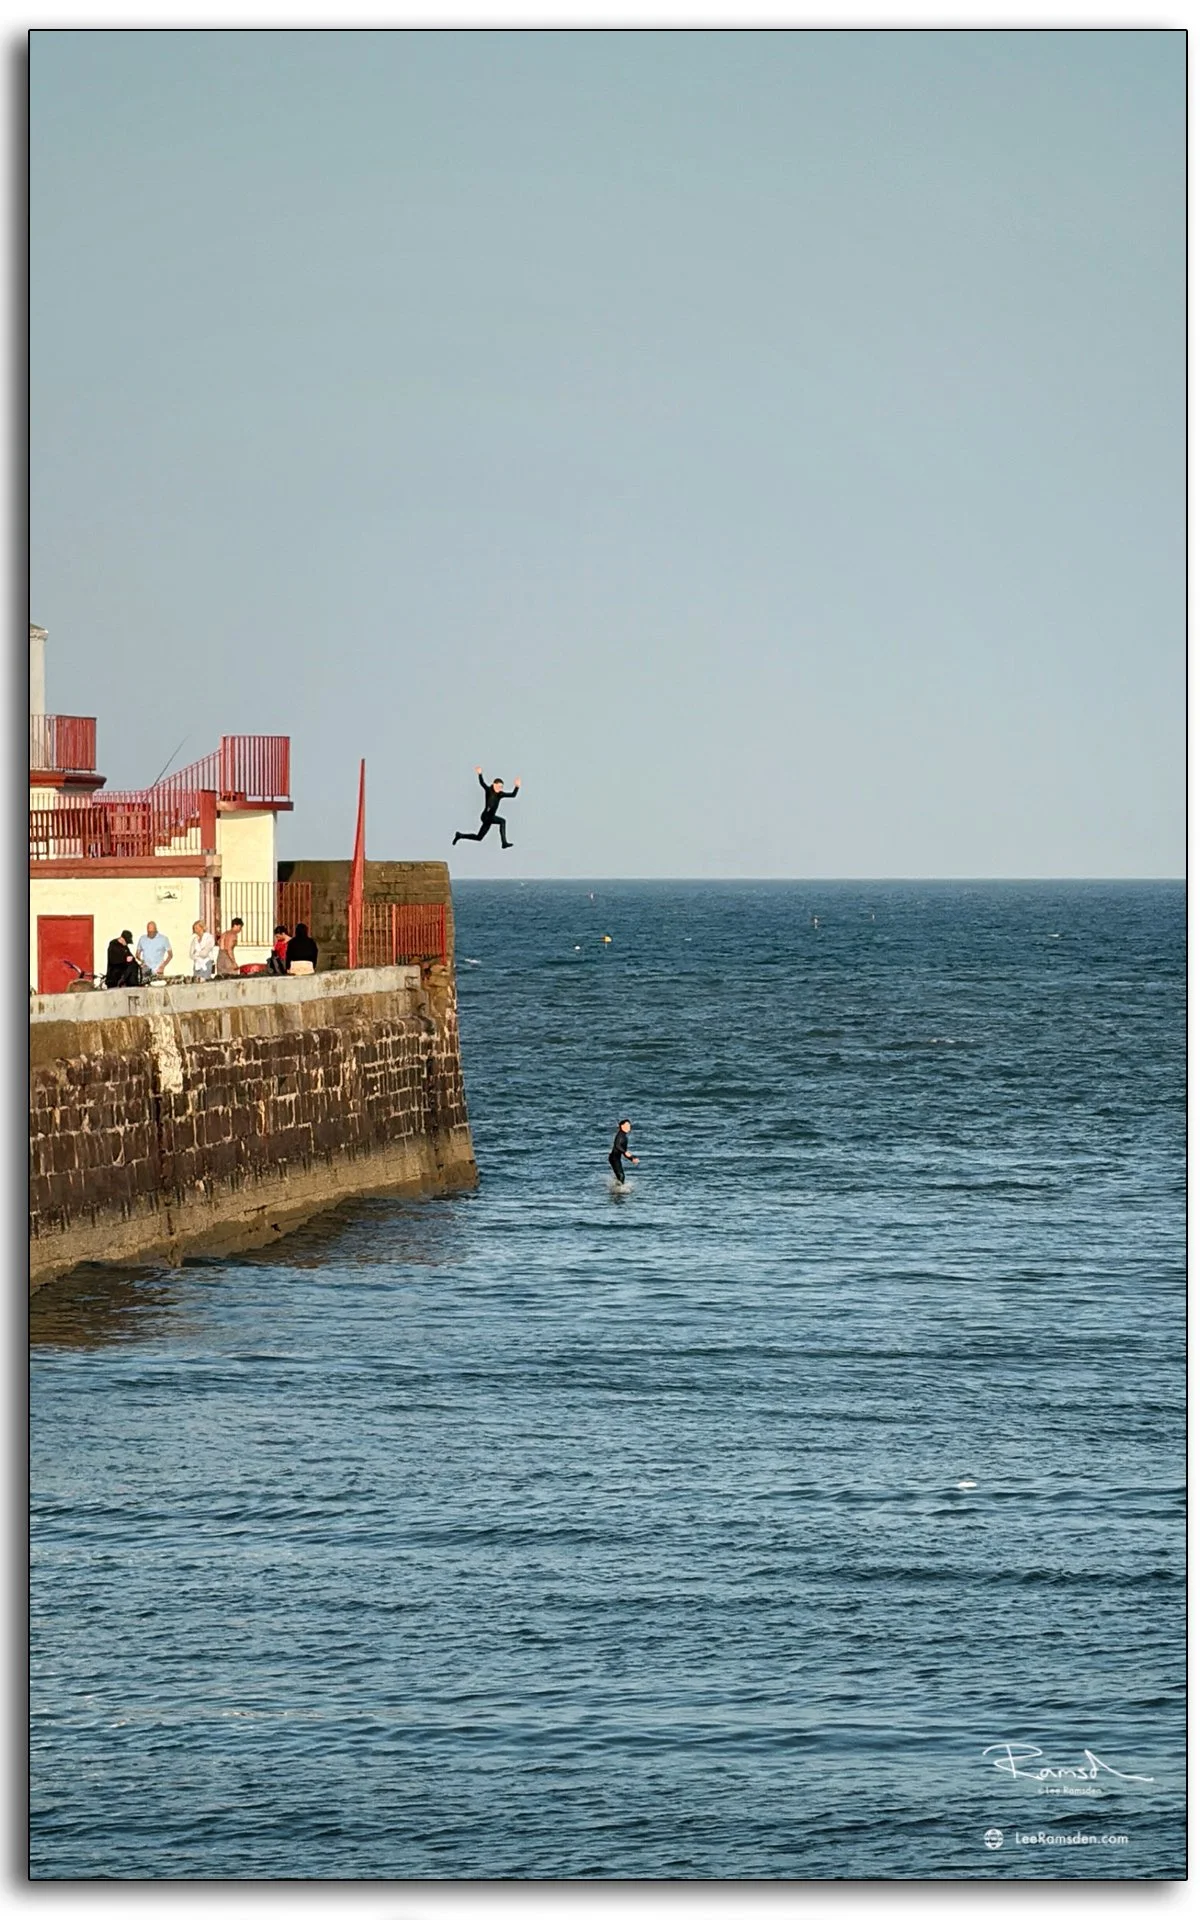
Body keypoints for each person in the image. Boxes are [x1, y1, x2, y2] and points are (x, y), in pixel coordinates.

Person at [453, 766, 522, 850]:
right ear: (494, 784)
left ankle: (460, 835)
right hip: (485, 816)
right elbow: (482, 783)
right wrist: (480, 774)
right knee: (502, 821)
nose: (500, 789)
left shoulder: (500, 794)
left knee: (479, 837)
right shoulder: (489, 790)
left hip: (490, 818)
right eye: (499, 786)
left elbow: (512, 795)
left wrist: (517, 786)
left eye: (501, 787)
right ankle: (504, 843)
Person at [608, 1118, 639, 1185]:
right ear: (622, 1126)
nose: (629, 1127)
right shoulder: (620, 1136)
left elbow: (624, 1151)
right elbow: (617, 1145)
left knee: (621, 1176)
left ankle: (615, 1189)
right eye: (627, 1125)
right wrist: (625, 1152)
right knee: (621, 1176)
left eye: (629, 1125)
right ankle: (618, 1191)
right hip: (614, 1158)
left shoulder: (624, 1136)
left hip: (616, 1158)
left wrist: (632, 1158)